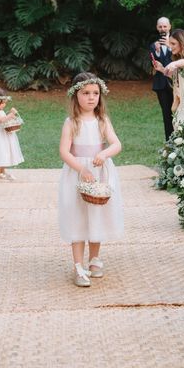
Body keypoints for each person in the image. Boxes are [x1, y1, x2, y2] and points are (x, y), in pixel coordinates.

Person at [58, 72, 124, 287]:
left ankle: (94, 259)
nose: (91, 97)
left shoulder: (102, 120)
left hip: (99, 171)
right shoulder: (72, 122)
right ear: (75, 95)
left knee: (97, 213)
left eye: (95, 93)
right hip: (78, 173)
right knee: (78, 216)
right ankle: (78, 266)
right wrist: (80, 168)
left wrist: (104, 154)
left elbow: (116, 144)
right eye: (86, 93)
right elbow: (64, 152)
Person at [0, 88, 24, 181]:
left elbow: (4, 119)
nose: (4, 104)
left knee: (4, 154)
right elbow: (1, 120)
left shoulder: (0, 111)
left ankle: (2, 172)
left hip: (3, 135)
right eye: (3, 103)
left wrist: (11, 118)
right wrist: (11, 114)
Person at [150, 17, 174, 140]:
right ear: (157, 28)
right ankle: (169, 141)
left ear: (169, 26)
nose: (162, 29)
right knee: (166, 114)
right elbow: (154, 65)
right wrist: (158, 52)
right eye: (160, 26)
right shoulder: (154, 45)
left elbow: (179, 59)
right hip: (161, 85)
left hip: (176, 83)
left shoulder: (176, 43)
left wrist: (170, 46)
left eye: (165, 26)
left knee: (179, 112)